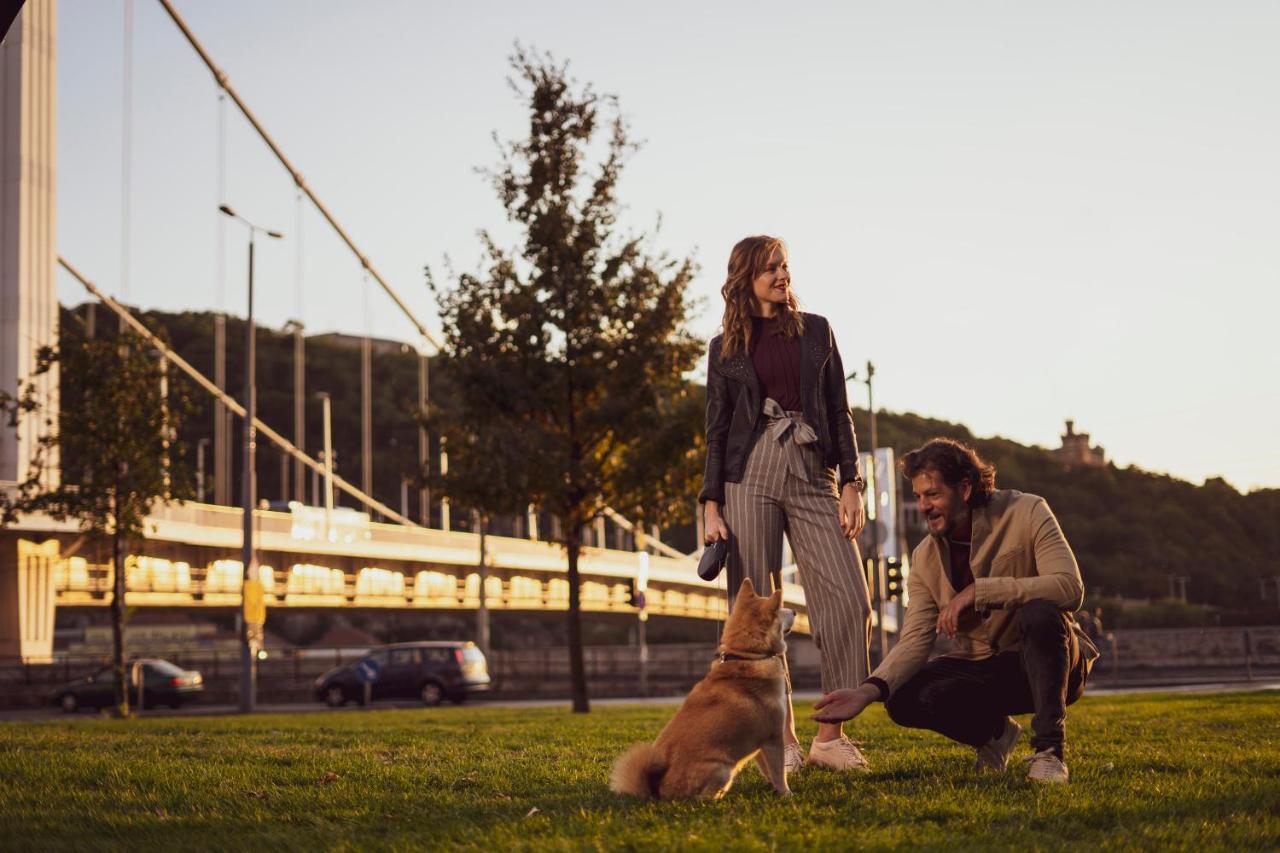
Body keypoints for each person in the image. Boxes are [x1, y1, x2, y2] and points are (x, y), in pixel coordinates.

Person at [812, 438, 1099, 784]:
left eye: (932, 495)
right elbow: (915, 640)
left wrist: (981, 591)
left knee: (1040, 613)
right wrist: (866, 691)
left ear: (964, 488)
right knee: (901, 696)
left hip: (1049, 662)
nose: (923, 506)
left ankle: (1049, 753)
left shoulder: (1027, 511)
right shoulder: (923, 558)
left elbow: (1070, 587)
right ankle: (995, 735)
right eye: (918, 496)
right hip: (984, 667)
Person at [700, 235, 873, 773]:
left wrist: (851, 481)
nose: (782, 275)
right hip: (747, 475)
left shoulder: (816, 331)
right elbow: (716, 430)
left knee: (850, 600)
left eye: (785, 266)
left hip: (811, 468)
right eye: (770, 268)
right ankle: (782, 739)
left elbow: (840, 410)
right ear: (745, 279)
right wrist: (710, 504)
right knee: (756, 615)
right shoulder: (723, 349)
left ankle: (829, 736)